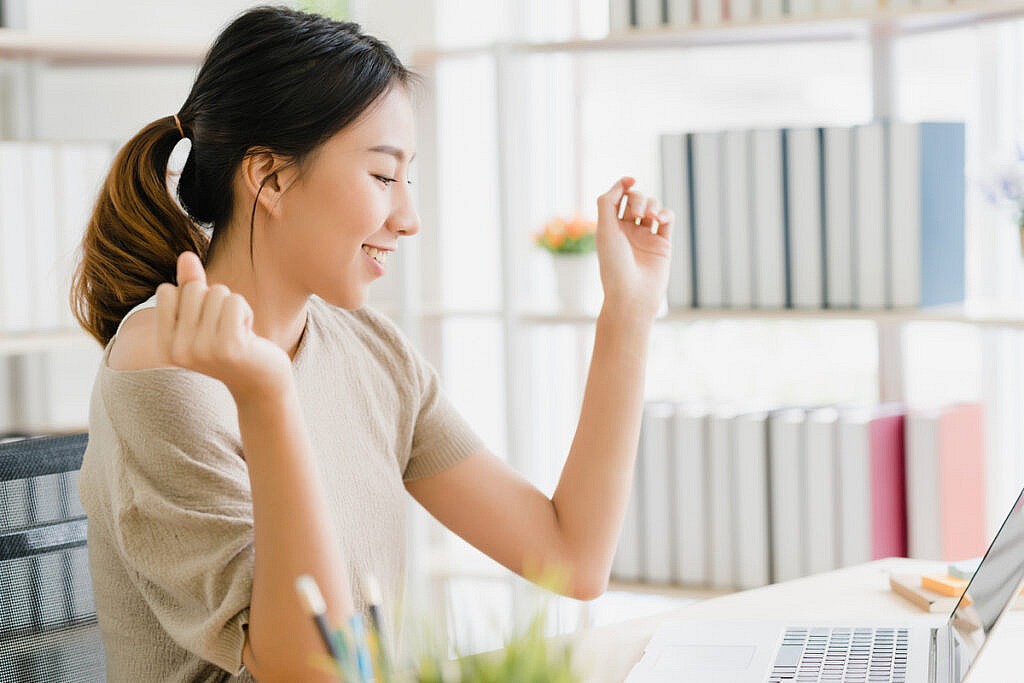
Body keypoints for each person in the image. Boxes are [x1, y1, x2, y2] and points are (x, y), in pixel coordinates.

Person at [71, 6, 673, 682]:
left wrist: (628, 310)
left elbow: (569, 557)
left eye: (406, 178)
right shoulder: (165, 369)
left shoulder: (368, 351)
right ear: (270, 177)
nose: (408, 217)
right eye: (383, 176)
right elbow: (313, 671)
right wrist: (266, 393)